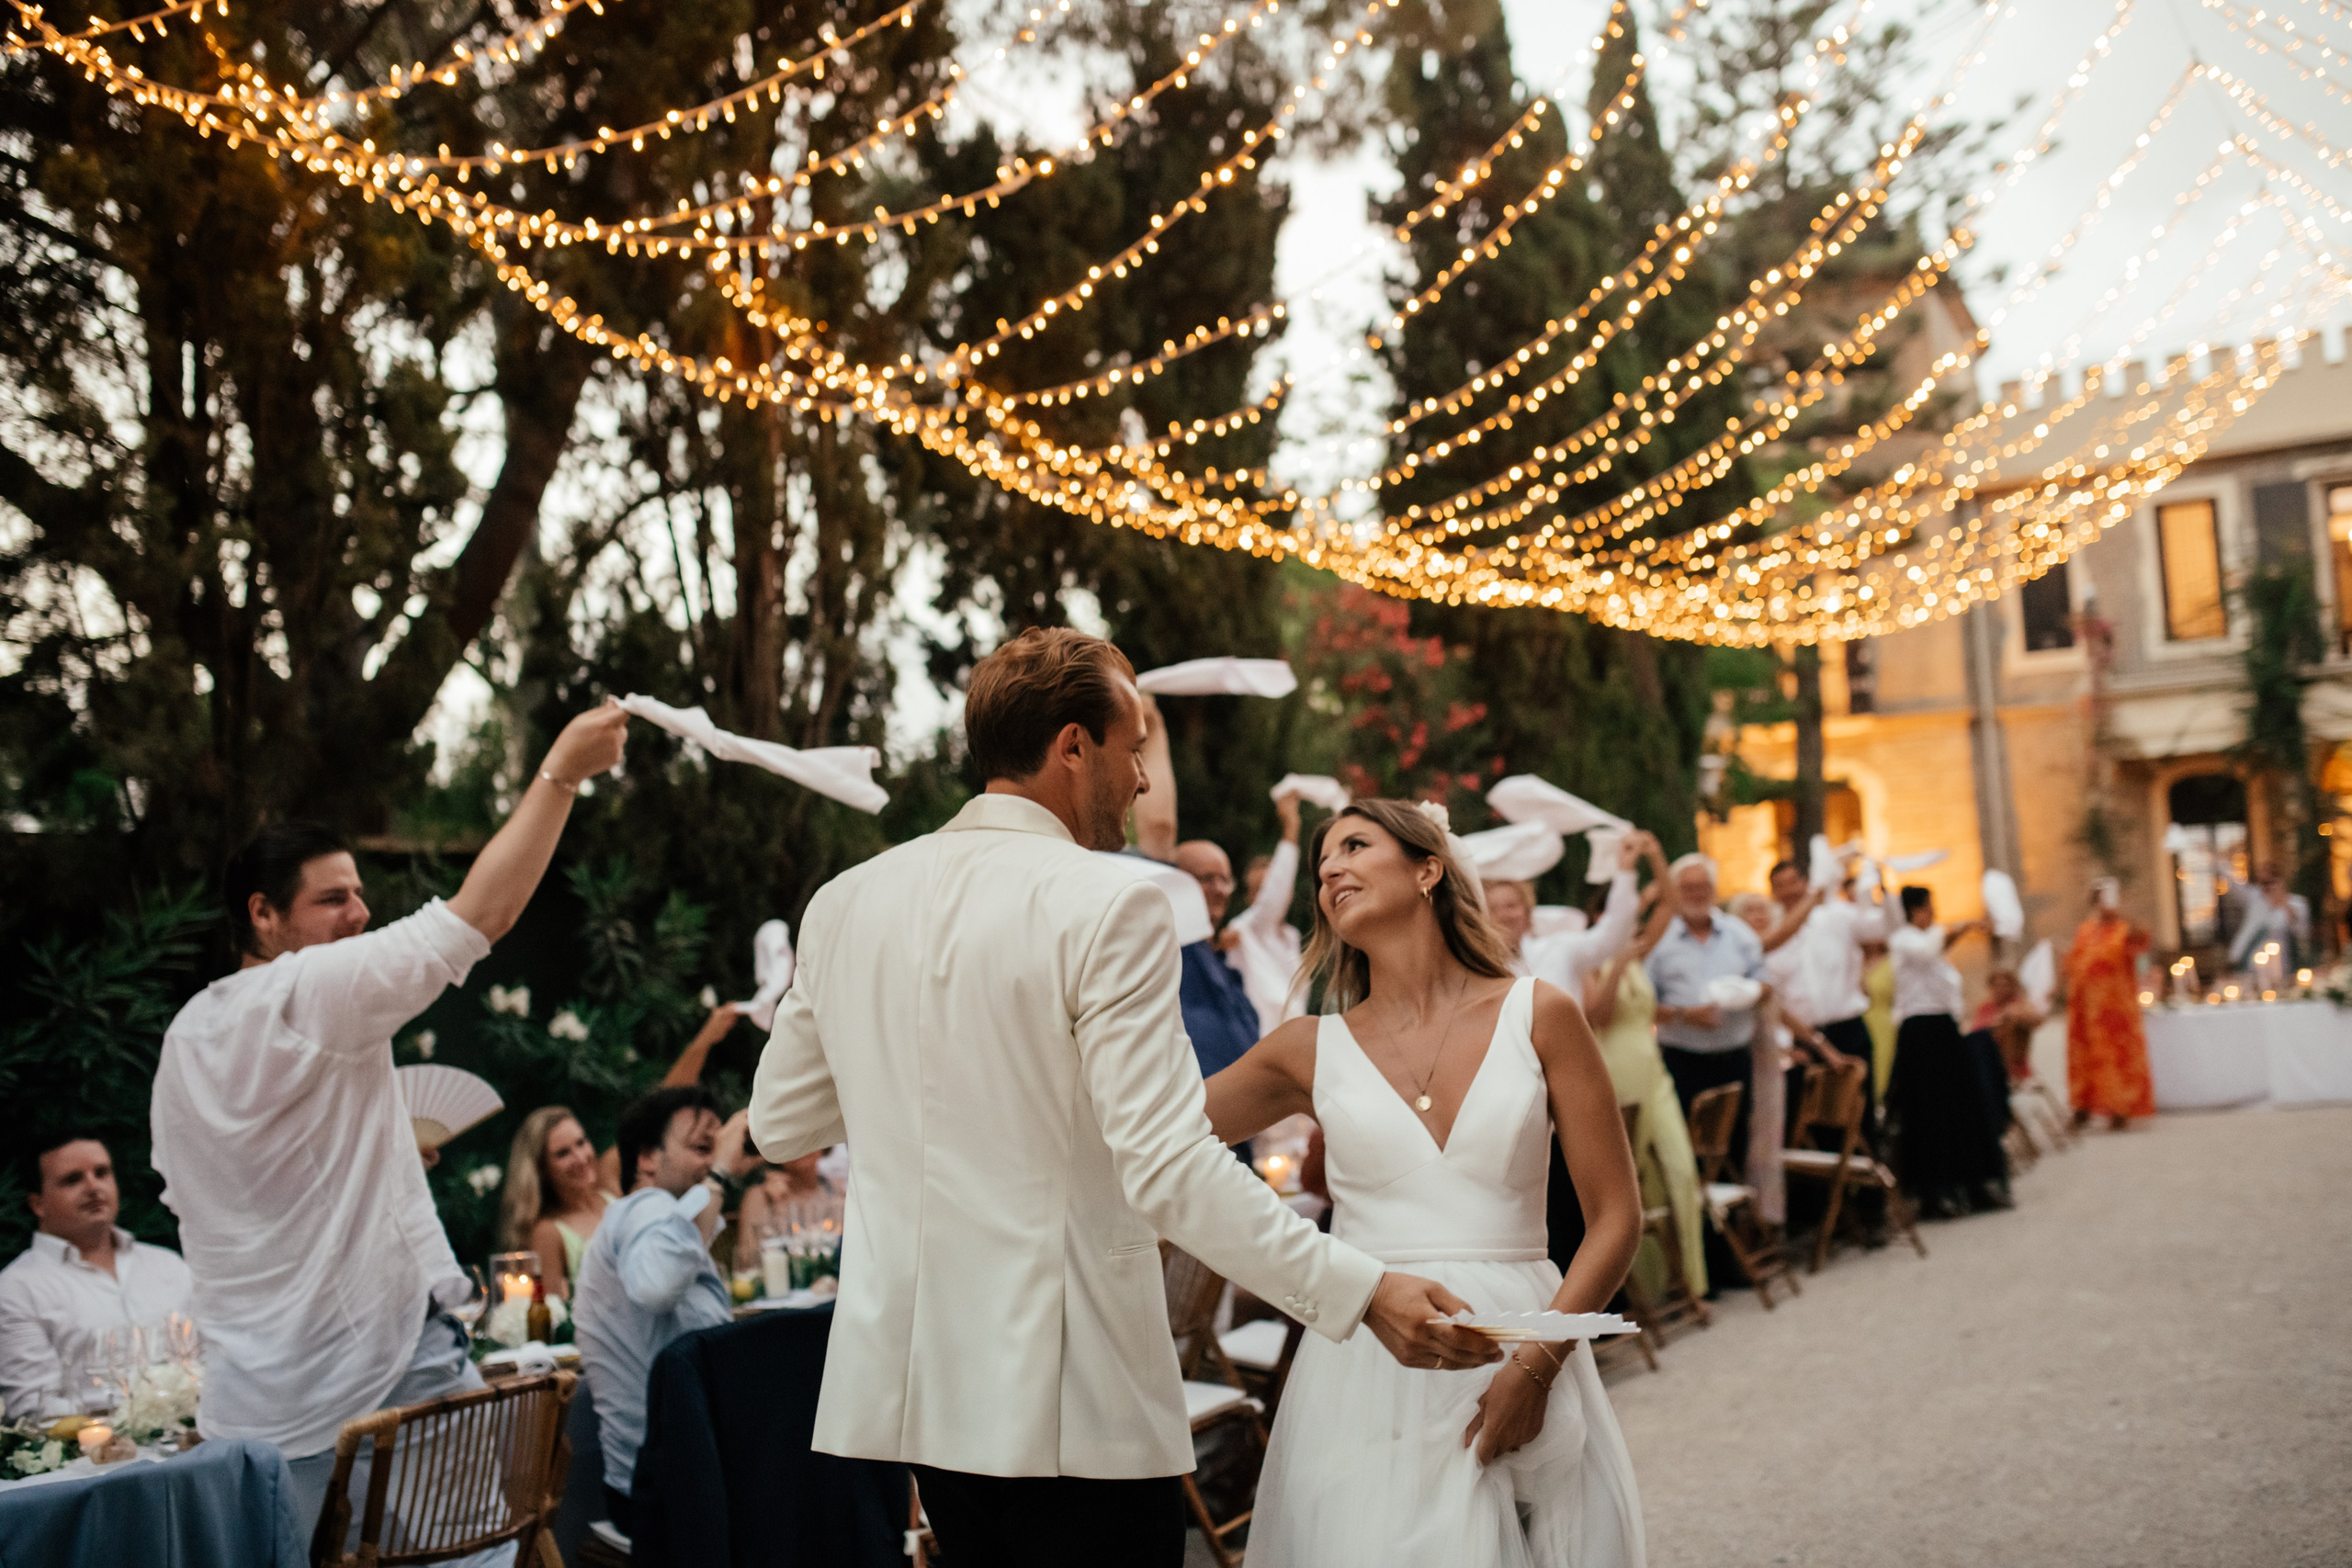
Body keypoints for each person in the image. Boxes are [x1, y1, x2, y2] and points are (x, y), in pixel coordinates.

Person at [748, 627, 1496, 1568]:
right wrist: (1361, 1289)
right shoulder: (1113, 903)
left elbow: (780, 1122)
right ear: (1072, 746)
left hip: (921, 1395)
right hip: (1069, 1396)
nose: (1141, 779)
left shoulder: (845, 902)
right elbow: (1170, 1165)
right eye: (1132, 747)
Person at [148, 699, 628, 1531]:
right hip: (380, 1371)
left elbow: (226, 1190)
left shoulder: (188, 1035)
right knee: (478, 1556)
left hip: (253, 1408)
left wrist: (381, 1155)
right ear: (262, 913)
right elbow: (485, 914)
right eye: (334, 898)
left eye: (361, 894)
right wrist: (563, 772)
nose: (360, 914)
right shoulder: (312, 988)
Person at [1204, 799, 1645, 1566]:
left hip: (1524, 1343)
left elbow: (1616, 1217)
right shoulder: (1307, 1048)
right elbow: (1156, 1135)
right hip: (1365, 1372)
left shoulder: (1539, 1013)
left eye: (1354, 844)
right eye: (1321, 863)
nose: (1330, 868)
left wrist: (1536, 1366)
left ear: (1428, 868)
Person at [572, 1085, 760, 1537]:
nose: (717, 1159)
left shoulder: (664, 1226)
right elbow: (657, 1287)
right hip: (664, 1496)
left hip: (675, 1481)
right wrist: (718, 1176)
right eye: (701, 1148)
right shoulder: (642, 1208)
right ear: (647, 1159)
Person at [1582, 857, 1708, 1301]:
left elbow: (1670, 904)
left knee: (1681, 1170)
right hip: (1616, 1075)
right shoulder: (1587, 962)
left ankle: (1693, 1282)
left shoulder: (1640, 952)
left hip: (1655, 1073)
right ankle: (1645, 1291)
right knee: (1636, 1184)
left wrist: (1653, 855)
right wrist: (1615, 964)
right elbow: (1594, 1016)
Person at [0, 1134, 194, 1420]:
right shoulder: (16, 1288)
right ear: (37, 1204)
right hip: (93, 1458)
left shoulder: (167, 1265)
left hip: (197, 1441)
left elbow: (208, 1362)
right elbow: (35, 1406)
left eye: (102, 1173)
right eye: (72, 1179)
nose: (93, 1187)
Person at [1132, 693, 1264, 1078]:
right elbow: (1159, 830)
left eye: (1225, 878)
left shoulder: (1222, 962)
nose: (1221, 889)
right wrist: (1152, 730)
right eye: (1207, 879)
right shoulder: (1170, 938)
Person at [1885, 886, 2009, 1217]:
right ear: (1914, 910)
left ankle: (1975, 1183)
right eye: (1928, 908)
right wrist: (1960, 925)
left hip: (1943, 1029)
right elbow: (1926, 951)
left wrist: (1966, 929)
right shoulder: (1903, 940)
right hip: (1919, 1033)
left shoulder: (1931, 946)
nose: (1934, 914)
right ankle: (1934, 1191)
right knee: (1930, 1112)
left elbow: (1936, 952)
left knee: (1964, 1106)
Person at [1644, 855, 1769, 1162]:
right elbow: (1642, 1004)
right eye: (1688, 887)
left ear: (1714, 889)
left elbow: (1764, 981)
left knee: (1735, 1142)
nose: (1697, 893)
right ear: (1674, 890)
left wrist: (1748, 993)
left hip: (1734, 1058)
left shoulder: (1739, 934)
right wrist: (1685, 1015)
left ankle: (1735, 1208)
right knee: (1686, 1147)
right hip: (1682, 1061)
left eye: (1703, 886)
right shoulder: (1658, 940)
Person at [1761, 858, 1890, 1116]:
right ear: (1774, 892)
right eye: (1780, 886)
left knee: (1859, 1113)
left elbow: (1880, 927)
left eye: (1792, 883)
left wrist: (1876, 888)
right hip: (1805, 1040)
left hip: (1847, 1028)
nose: (1789, 891)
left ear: (1804, 883)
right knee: (1811, 1119)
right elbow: (1774, 999)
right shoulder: (1772, 938)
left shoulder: (1837, 916)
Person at [497, 1107, 616, 1300]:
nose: (580, 1158)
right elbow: (555, 1314)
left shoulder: (611, 1196)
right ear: (542, 1170)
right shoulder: (548, 1232)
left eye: (581, 1142)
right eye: (563, 1153)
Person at [1218, 785, 1310, 1034]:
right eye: (1256, 889)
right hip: (1258, 1039)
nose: (1264, 896)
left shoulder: (1291, 936)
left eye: (1266, 888)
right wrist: (1292, 826)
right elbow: (1275, 893)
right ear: (1248, 897)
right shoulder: (1243, 928)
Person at [2064, 892, 2154, 1131]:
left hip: (2115, 1010)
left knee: (2115, 1060)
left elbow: (2141, 943)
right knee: (2083, 1059)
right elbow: (2075, 961)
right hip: (2084, 1009)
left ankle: (2119, 1108)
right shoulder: (2085, 930)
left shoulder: (2124, 929)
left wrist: (2125, 914)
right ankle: (2082, 1107)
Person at [1971, 969, 2046, 1085]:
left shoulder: (2020, 1006)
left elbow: (2037, 1019)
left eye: (2004, 985)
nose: (2000, 989)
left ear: (2012, 987)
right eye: (1996, 985)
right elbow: (1977, 1031)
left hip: (2011, 1060)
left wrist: (2010, 1015)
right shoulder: (1985, 1007)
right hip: (1987, 1060)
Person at [2228, 866, 2308, 974]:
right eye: (2262, 883)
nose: (2267, 887)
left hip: (2282, 964)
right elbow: (2233, 883)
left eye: (2269, 882)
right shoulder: (2256, 899)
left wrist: (2283, 903)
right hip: (2251, 962)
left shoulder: (2297, 903)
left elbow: (2302, 933)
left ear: (2281, 881)